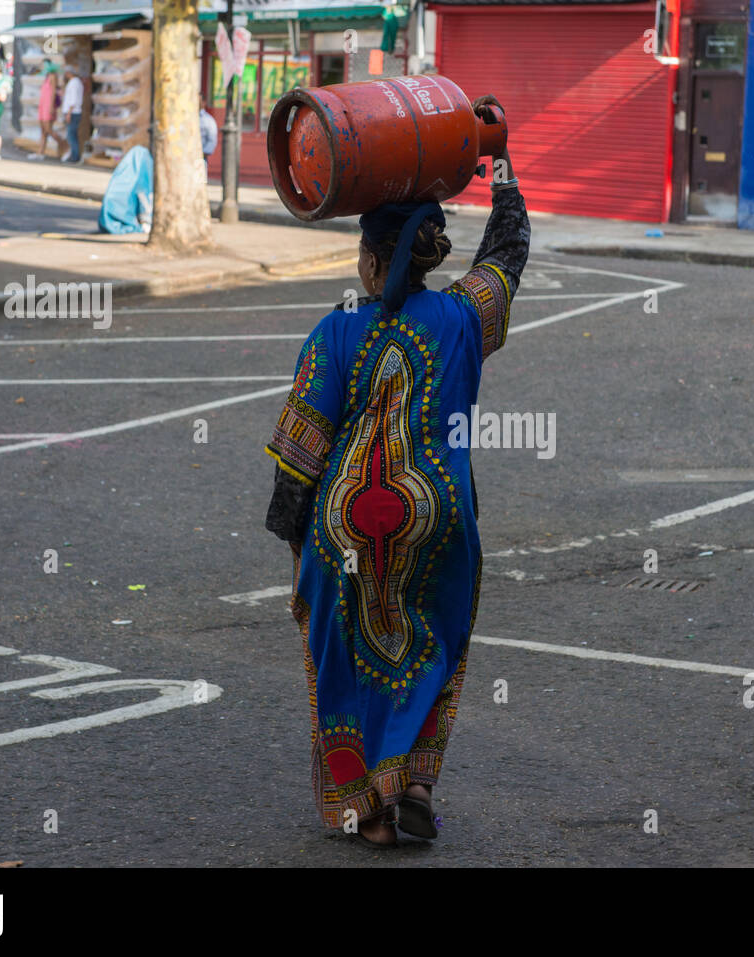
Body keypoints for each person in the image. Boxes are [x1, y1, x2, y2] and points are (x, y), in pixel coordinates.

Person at [263, 95, 528, 849]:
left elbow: (297, 465)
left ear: (371, 261)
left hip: (345, 525)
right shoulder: (460, 319)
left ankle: (367, 809)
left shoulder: (335, 332)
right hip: (437, 518)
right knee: (431, 645)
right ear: (428, 255)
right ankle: (413, 782)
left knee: (345, 654)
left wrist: (297, 559)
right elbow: (508, 252)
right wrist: (499, 161)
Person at [28, 61, 65, 160]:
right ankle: (40, 152)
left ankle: (64, 145)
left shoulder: (53, 76)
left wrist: (51, 107)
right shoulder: (46, 77)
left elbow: (53, 92)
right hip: (43, 106)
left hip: (49, 106)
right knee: (43, 131)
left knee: (48, 129)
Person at [60, 65, 84, 163]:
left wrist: (69, 113)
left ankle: (75, 156)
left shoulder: (74, 83)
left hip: (73, 112)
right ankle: (74, 155)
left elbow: (73, 100)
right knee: (72, 135)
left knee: (71, 135)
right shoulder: (76, 82)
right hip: (74, 112)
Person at [199, 100, 217, 169]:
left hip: (200, 158)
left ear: (204, 103)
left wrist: (204, 153)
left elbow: (212, 139)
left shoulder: (208, 119)